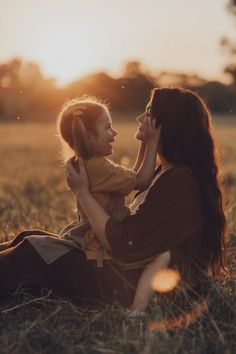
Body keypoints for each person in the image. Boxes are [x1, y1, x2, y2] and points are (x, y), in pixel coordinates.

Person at [0, 87, 226, 310]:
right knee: (30, 236)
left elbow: (124, 245)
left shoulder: (181, 182)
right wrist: (147, 144)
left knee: (32, 250)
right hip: (120, 268)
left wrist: (82, 193)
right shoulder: (164, 171)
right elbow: (137, 182)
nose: (139, 117)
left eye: (147, 113)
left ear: (165, 124)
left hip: (127, 282)